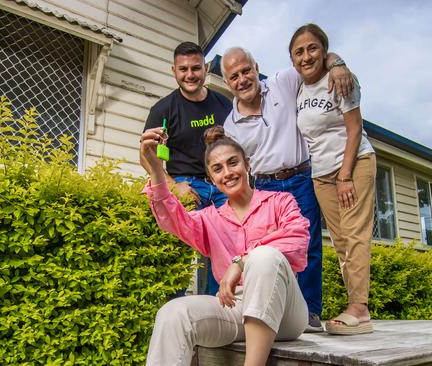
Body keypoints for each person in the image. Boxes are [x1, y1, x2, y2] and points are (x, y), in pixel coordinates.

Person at [141, 126, 310, 366]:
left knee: (264, 256)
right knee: (172, 314)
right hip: (235, 308)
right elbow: (172, 220)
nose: (228, 173)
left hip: (284, 311)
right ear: (211, 178)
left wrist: (240, 262)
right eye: (218, 169)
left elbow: (297, 239)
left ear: (247, 164)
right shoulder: (209, 218)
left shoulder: (280, 201)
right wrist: (157, 169)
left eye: (233, 163)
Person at [221, 46, 354, 331]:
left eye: (246, 71)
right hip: (266, 187)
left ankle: (309, 313)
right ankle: (276, 312)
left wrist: (339, 65)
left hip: (300, 177)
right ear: (227, 83)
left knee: (308, 247)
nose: (242, 79)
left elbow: (314, 62)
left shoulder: (282, 82)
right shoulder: (230, 125)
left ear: (256, 67)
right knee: (269, 250)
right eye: (234, 76)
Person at [289, 24, 376, 335]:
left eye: (313, 48)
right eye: (298, 51)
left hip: (353, 166)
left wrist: (345, 175)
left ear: (324, 51)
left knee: (355, 234)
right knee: (340, 241)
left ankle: (359, 309)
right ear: (292, 59)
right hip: (321, 174)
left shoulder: (340, 80)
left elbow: (355, 128)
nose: (306, 56)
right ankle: (355, 304)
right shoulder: (298, 88)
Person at [141, 41, 232, 295]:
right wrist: (173, 185)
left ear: (205, 68)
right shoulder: (163, 110)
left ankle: (217, 312)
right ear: (174, 71)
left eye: (195, 68)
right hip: (185, 185)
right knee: (178, 257)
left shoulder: (224, 106)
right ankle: (178, 316)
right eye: (183, 69)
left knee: (223, 253)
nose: (190, 75)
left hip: (221, 187)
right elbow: (146, 157)